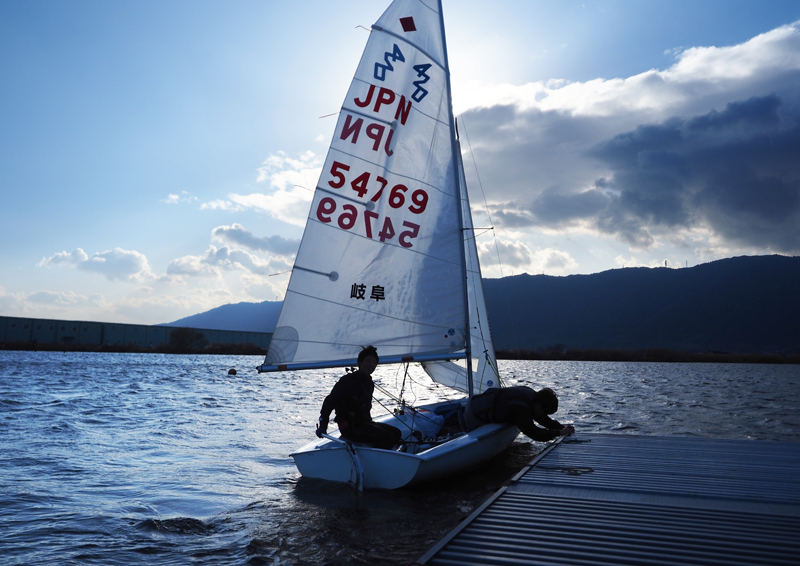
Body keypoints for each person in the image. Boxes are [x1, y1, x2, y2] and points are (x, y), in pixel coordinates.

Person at [316, 346, 402, 450]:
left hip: (363, 423)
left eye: (374, 362)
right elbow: (329, 402)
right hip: (350, 427)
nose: (371, 365)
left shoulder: (369, 383)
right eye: (368, 361)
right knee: (387, 437)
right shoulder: (348, 381)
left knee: (397, 433)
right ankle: (374, 458)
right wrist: (323, 425)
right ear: (360, 363)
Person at [463, 386, 574, 441]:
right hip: (473, 414)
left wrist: (562, 428)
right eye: (545, 412)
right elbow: (532, 432)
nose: (545, 415)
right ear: (540, 405)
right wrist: (558, 433)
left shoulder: (533, 398)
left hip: (475, 402)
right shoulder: (520, 407)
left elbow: (543, 419)